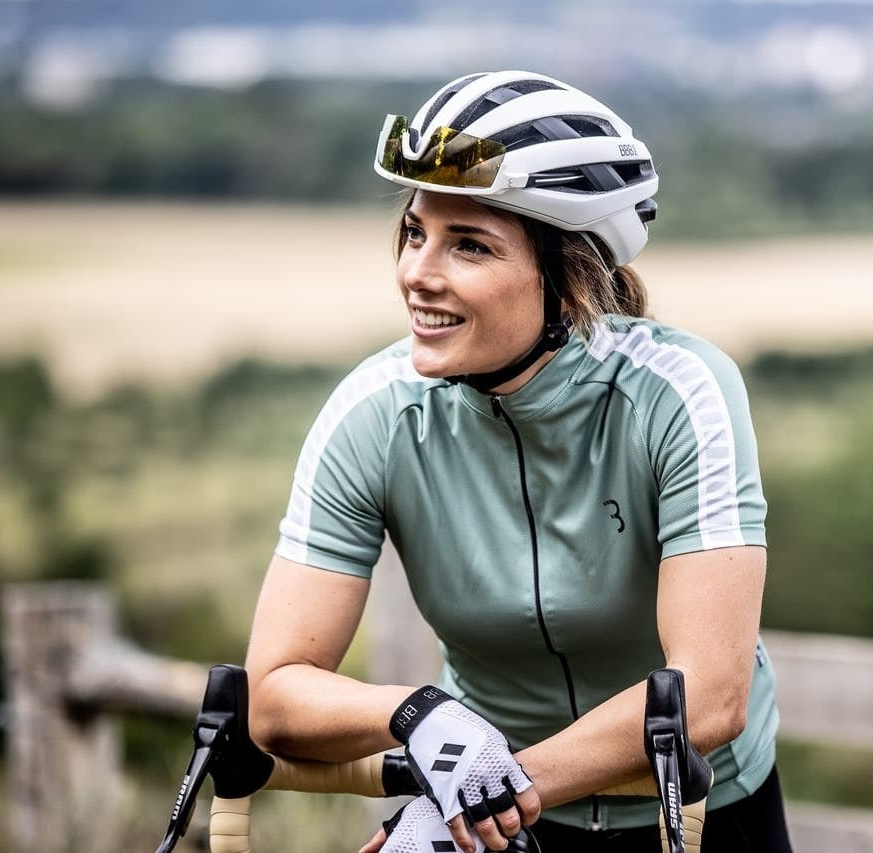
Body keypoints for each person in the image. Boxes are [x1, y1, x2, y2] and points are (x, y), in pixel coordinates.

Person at [244, 70, 792, 853]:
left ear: (567, 278)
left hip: (698, 809)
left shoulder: (681, 393)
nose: (416, 272)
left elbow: (707, 698)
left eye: (469, 245)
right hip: (502, 823)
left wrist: (484, 798)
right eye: (414, 232)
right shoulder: (372, 415)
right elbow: (273, 694)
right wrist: (418, 713)